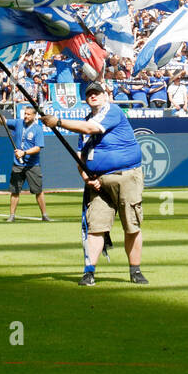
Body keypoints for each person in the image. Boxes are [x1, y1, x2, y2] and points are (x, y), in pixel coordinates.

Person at [42, 82, 147, 285]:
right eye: (89, 93)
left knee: (131, 225)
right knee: (95, 227)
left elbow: (92, 128)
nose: (93, 96)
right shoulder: (84, 122)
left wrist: (58, 122)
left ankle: (135, 271)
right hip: (97, 182)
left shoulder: (112, 110)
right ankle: (89, 272)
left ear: (106, 94)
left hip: (125, 176)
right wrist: (87, 179)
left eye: (97, 92)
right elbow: (80, 156)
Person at [0, 102, 51, 222]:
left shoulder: (37, 129)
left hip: (32, 165)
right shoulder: (18, 123)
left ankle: (44, 215)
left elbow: (38, 147)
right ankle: (12, 215)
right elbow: (2, 121)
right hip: (18, 165)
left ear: (34, 116)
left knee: (38, 191)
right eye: (25, 113)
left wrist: (24, 153)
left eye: (29, 114)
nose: (26, 116)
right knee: (15, 191)